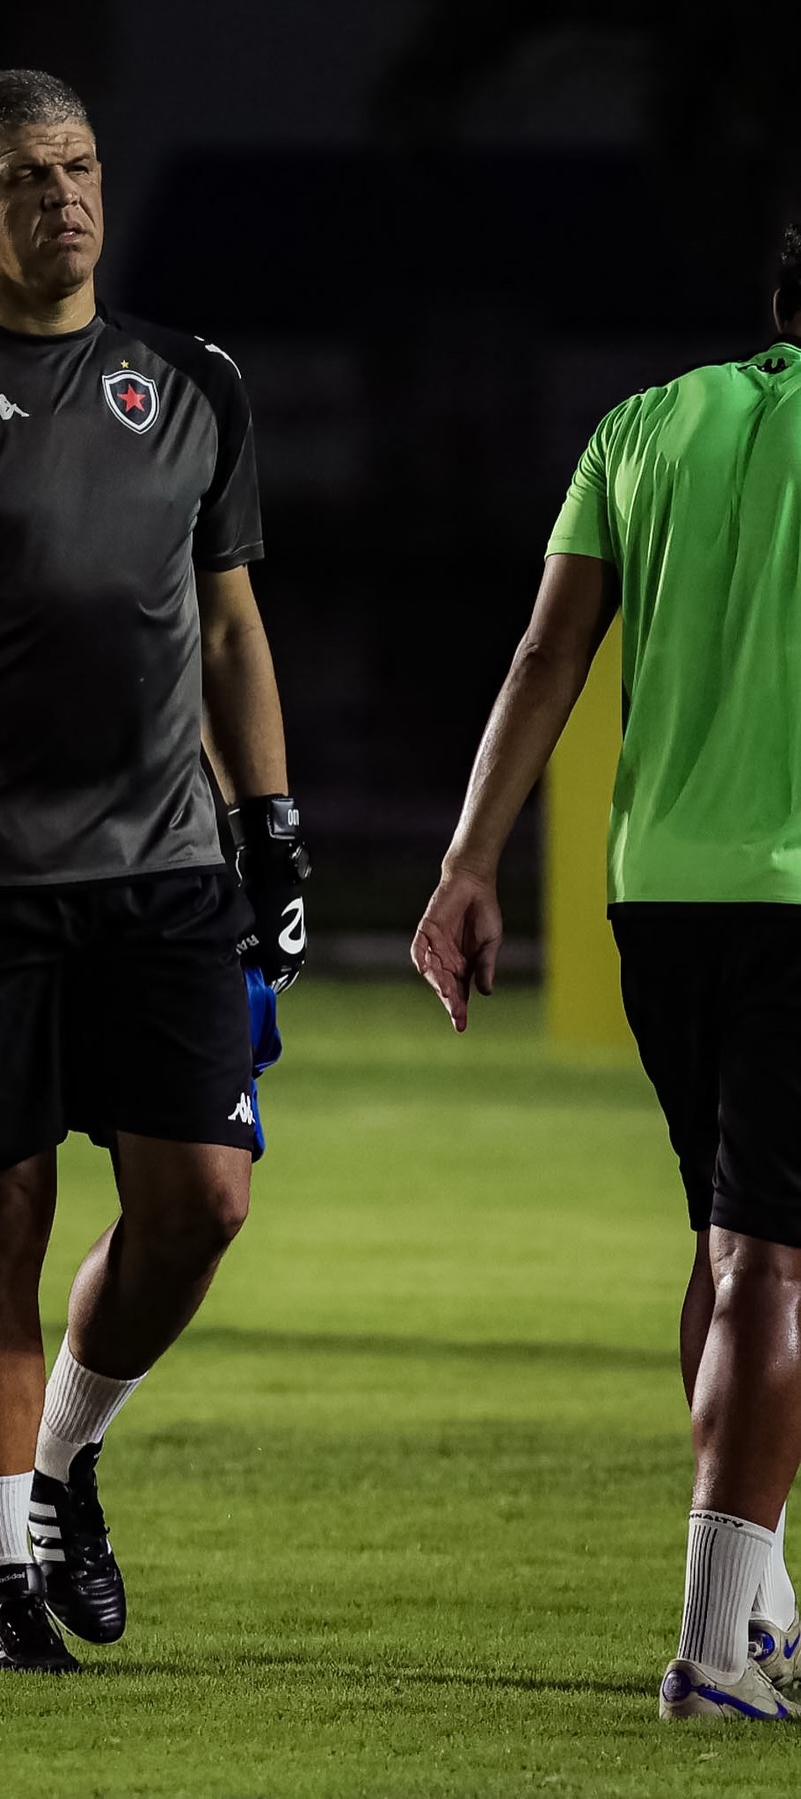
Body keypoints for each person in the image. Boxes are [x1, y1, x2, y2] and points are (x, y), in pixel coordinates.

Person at [0, 68, 307, 1674]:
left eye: (81, 167)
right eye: (28, 176)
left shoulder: (192, 380)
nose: (65, 197)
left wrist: (274, 826)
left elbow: (229, 625)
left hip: (162, 876)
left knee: (202, 1206)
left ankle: (66, 1463)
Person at [411, 225, 801, 1722]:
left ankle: (757, 1607)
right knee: (771, 1263)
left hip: (657, 902)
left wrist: (466, 862)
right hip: (791, 900)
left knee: (732, 1247)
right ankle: (714, 1652)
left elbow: (543, 658)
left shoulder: (640, 425)